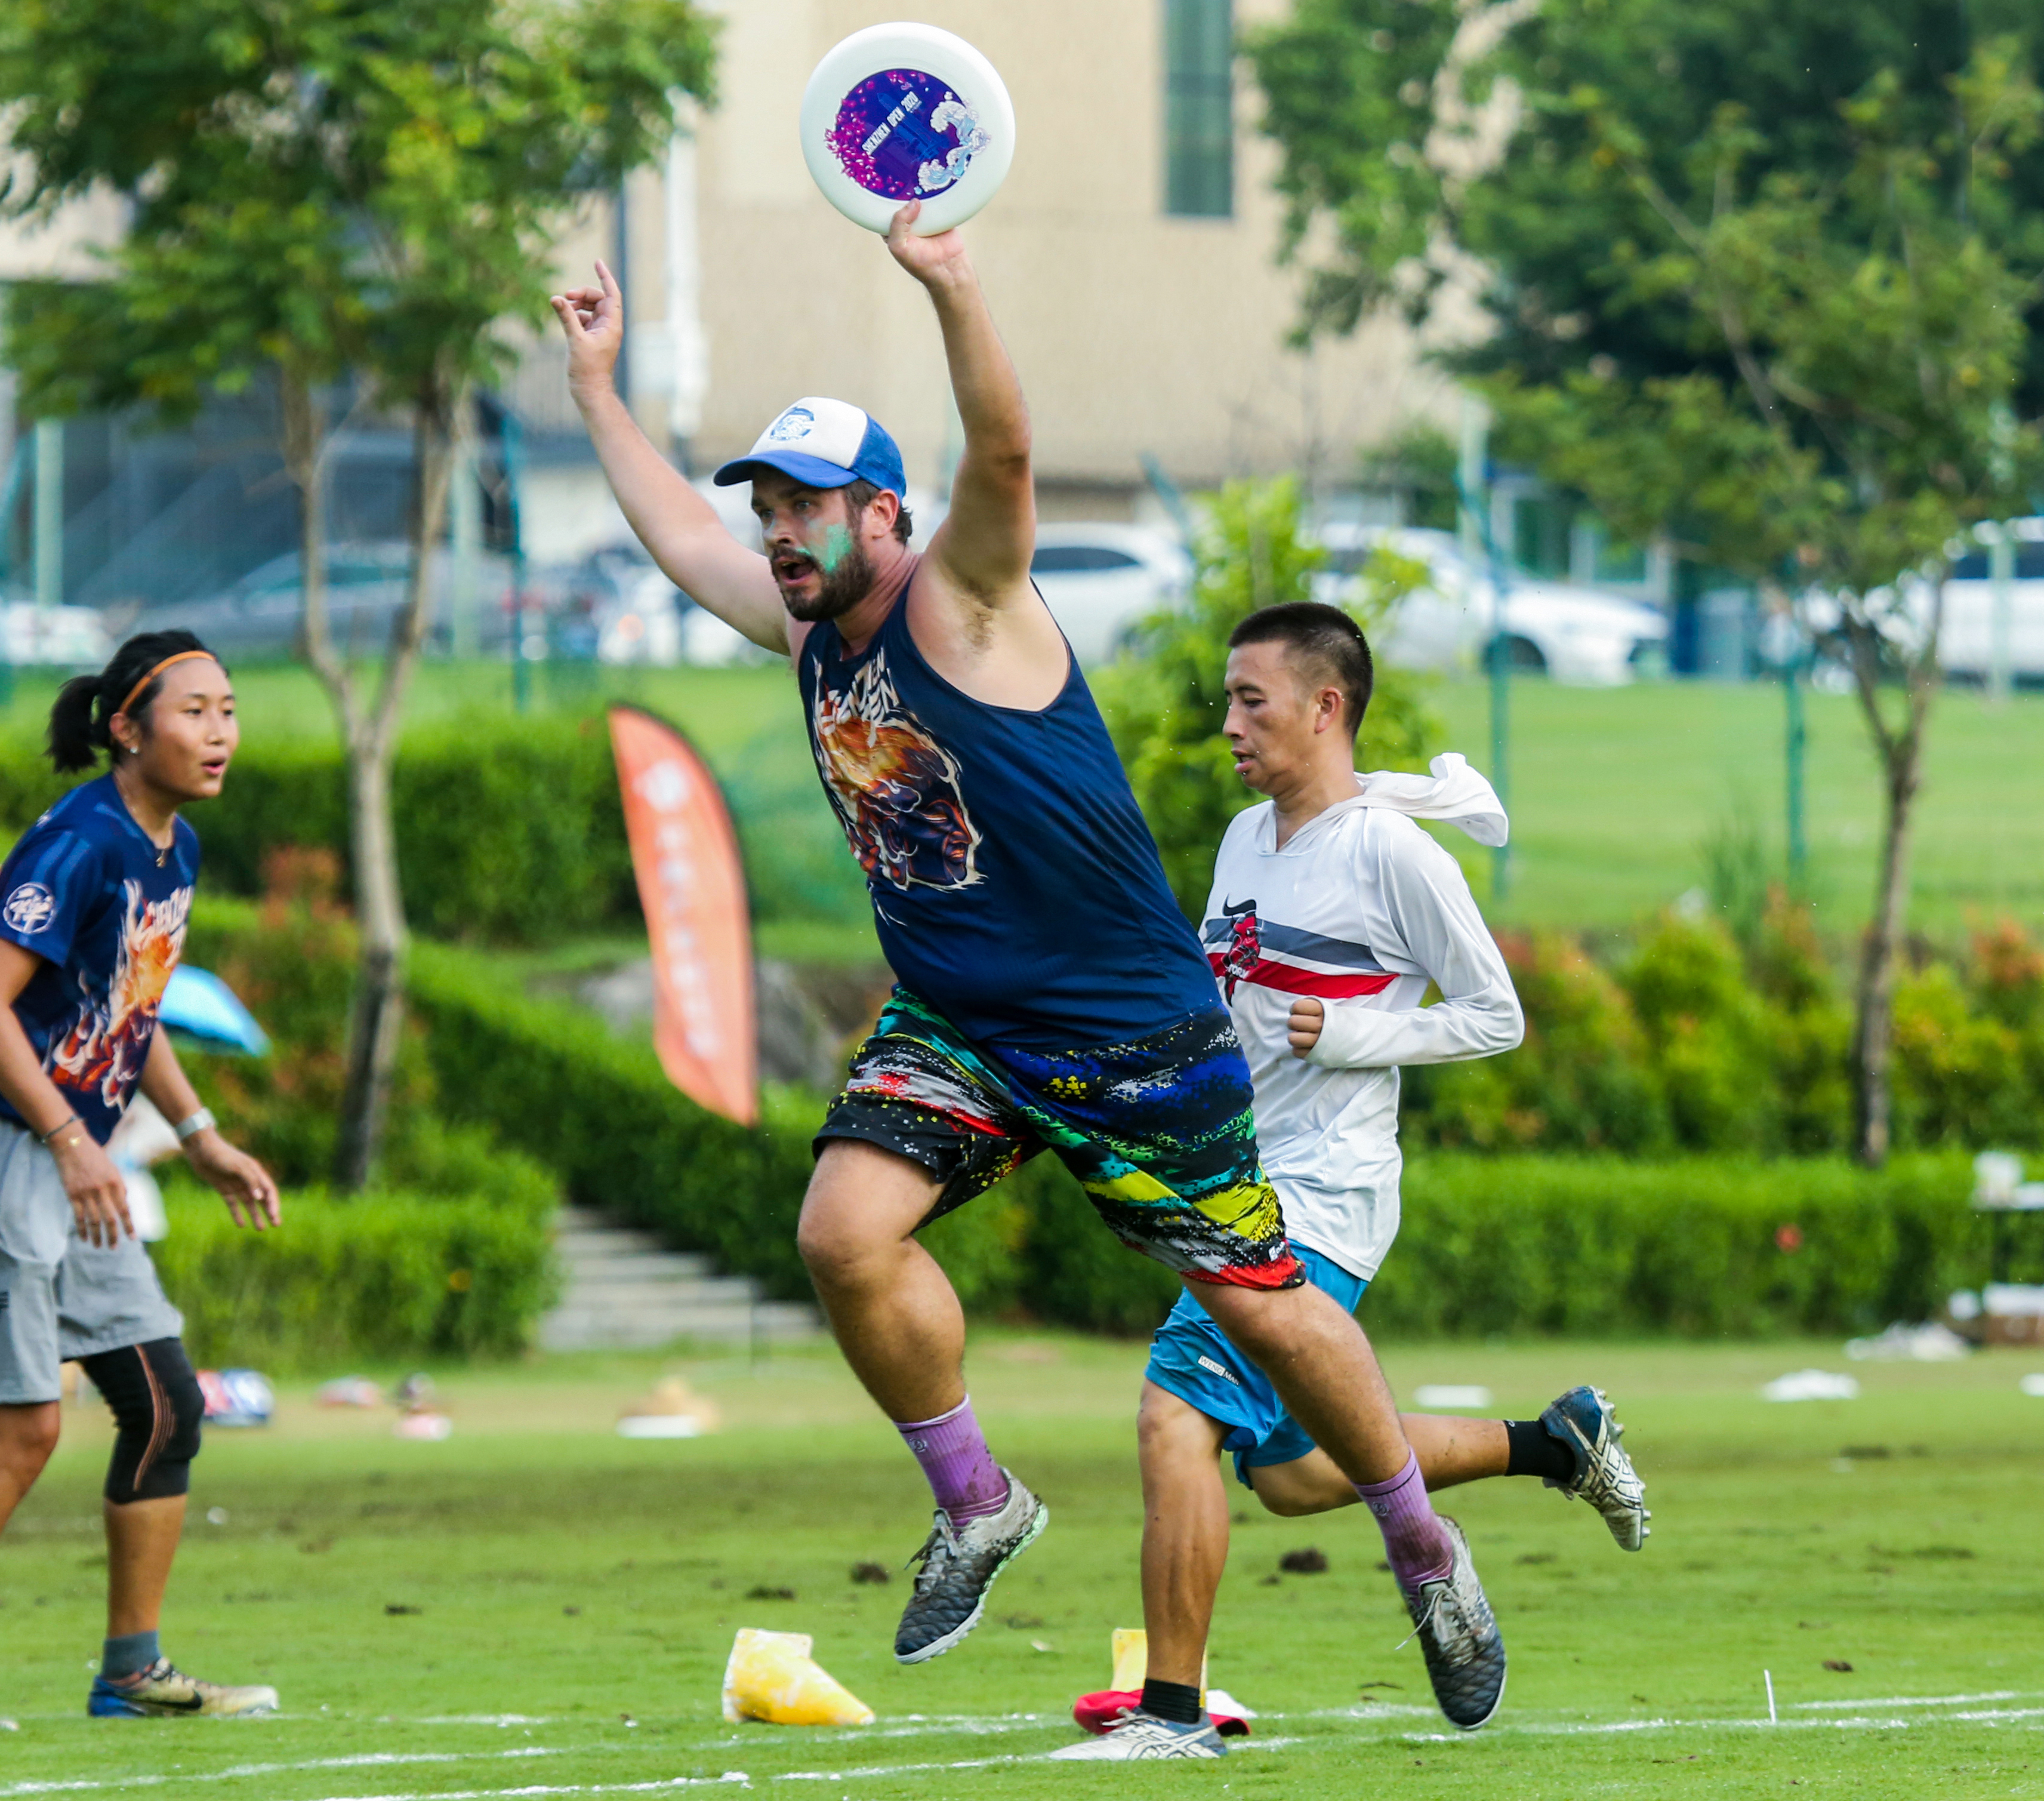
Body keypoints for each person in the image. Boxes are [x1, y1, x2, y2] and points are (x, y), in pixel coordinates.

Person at [550, 210, 1502, 1725]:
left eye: (806, 507)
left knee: (1261, 1308)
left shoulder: (961, 598)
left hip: (1133, 1031)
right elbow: (678, 540)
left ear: (881, 511)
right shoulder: (810, 640)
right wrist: (598, 384)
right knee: (843, 1236)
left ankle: (1419, 1537)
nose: (778, 533)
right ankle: (979, 1500)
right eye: (769, 508)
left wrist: (953, 289)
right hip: (962, 1026)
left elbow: (1002, 458)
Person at [1056, 603, 1650, 1762]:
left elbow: (1496, 1017)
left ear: (1325, 708)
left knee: (1173, 1416)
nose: (1227, 722)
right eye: (1228, 699)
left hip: (1322, 1194)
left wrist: (1357, 1035)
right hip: (1233, 1183)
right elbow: (1221, 1006)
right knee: (1290, 1472)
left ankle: (1174, 1716)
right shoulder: (1242, 838)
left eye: (1251, 700)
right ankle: (1556, 1444)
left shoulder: (1392, 853)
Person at [0, 632, 284, 1731]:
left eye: (229, 709)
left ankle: (132, 1675)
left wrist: (196, 1132)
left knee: (164, 1404)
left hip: (61, 1152)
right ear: (127, 729)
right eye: (195, 711)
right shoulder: (81, 841)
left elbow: (134, 1011)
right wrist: (69, 1137)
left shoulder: (171, 848)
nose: (221, 730)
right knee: (23, 1427)